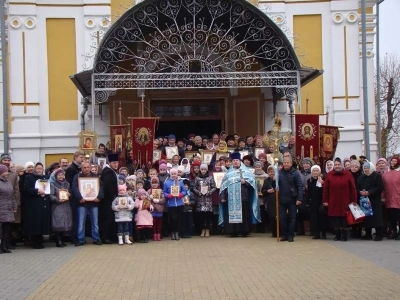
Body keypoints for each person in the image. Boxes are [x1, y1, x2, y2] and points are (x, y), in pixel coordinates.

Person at [219, 152, 261, 237]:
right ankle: (232, 231)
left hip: (243, 197)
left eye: (237, 160)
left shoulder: (246, 172)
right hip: (230, 198)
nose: (235, 162)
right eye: (233, 160)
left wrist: (245, 182)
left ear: (240, 161)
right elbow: (223, 185)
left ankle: (244, 231)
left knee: (244, 215)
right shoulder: (228, 173)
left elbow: (253, 183)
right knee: (231, 214)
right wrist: (223, 197)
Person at [323, 158, 357, 241]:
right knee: (335, 218)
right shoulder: (329, 175)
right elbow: (325, 189)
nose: (337, 166)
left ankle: (344, 235)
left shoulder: (348, 174)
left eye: (339, 165)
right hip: (333, 200)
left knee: (344, 218)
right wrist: (325, 201)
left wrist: (354, 201)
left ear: (342, 165)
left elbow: (353, 188)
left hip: (345, 200)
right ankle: (337, 235)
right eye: (336, 165)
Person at [72, 161, 103, 246]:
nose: (86, 169)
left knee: (95, 222)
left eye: (87, 167)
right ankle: (81, 239)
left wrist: (99, 197)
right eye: (84, 167)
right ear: (81, 168)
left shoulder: (96, 177)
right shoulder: (77, 177)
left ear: (90, 167)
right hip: (82, 203)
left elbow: (101, 188)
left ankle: (96, 238)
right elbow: (74, 188)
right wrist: (80, 198)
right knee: (81, 222)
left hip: (94, 203)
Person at [23, 162, 51, 249]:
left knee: (42, 222)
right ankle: (34, 241)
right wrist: (37, 191)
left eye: (41, 169)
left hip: (43, 202)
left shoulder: (45, 178)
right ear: (35, 169)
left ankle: (39, 239)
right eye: (38, 169)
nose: (39, 170)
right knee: (35, 223)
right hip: (33, 204)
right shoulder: (29, 177)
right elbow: (26, 189)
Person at [277, 157, 304, 242]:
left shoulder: (295, 173)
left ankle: (291, 235)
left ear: (291, 163)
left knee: (292, 218)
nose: (286, 164)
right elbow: (276, 185)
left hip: (293, 199)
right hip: (282, 200)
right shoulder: (279, 173)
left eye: (288, 162)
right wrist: (274, 180)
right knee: (282, 218)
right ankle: (284, 235)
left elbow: (300, 186)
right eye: (284, 162)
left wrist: (299, 198)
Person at [356, 162, 384, 241]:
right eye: (365, 168)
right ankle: (368, 233)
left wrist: (370, 192)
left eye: (367, 168)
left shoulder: (377, 176)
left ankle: (379, 234)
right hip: (365, 200)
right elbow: (357, 187)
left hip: (374, 200)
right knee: (367, 217)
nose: (366, 169)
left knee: (376, 217)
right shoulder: (361, 177)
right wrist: (360, 192)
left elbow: (380, 187)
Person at [0, 153, 20, 249]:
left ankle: (6, 244)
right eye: (5, 160)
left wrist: (16, 204)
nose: (7, 162)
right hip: (1, 205)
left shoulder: (13, 174)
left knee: (8, 226)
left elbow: (16, 189)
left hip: (9, 205)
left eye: (8, 160)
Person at [48, 169, 72, 247]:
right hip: (57, 206)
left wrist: (69, 195)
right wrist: (57, 200)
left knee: (65, 223)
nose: (61, 176)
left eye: (62, 175)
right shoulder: (52, 184)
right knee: (58, 222)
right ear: (56, 176)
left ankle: (62, 239)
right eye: (59, 175)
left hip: (66, 205)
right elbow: (51, 195)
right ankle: (58, 241)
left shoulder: (67, 184)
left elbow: (71, 194)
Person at [99, 153, 119, 244]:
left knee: (109, 218)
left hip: (109, 199)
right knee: (107, 218)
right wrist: (113, 195)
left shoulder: (110, 171)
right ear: (109, 162)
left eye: (117, 163)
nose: (116, 164)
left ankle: (109, 237)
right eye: (114, 163)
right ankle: (105, 237)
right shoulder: (108, 172)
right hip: (108, 200)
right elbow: (108, 186)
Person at [192, 163, 216, 237]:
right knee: (201, 216)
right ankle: (202, 229)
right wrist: (199, 193)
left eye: (204, 169)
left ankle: (207, 229)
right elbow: (194, 188)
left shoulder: (210, 178)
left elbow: (214, 187)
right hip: (200, 200)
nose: (203, 171)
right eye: (202, 169)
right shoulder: (197, 178)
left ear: (207, 170)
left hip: (208, 200)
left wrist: (209, 192)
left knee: (208, 215)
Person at [163, 168, 186, 240]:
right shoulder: (167, 182)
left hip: (179, 203)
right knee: (173, 219)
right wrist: (168, 196)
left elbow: (184, 191)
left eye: (175, 174)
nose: (173, 175)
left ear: (177, 174)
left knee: (179, 219)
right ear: (170, 174)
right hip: (171, 204)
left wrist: (180, 195)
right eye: (172, 174)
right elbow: (164, 192)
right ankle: (172, 232)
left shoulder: (180, 182)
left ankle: (177, 233)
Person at [307, 165, 327, 239]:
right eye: (314, 171)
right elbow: (308, 192)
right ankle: (316, 234)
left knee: (322, 218)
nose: (315, 172)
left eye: (317, 171)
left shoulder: (323, 179)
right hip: (313, 202)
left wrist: (322, 183)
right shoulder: (309, 181)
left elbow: (325, 190)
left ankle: (323, 233)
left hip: (321, 201)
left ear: (319, 171)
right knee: (314, 219)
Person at [382, 156, 400, 240]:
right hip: (388, 197)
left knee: (398, 216)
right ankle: (394, 232)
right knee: (392, 218)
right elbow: (383, 185)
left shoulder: (399, 171)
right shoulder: (386, 172)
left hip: (398, 197)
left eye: (395, 161)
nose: (393, 162)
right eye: (392, 161)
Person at [148, 177, 165, 241]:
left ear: (158, 183)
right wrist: (149, 198)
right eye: (153, 183)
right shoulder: (149, 191)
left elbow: (163, 200)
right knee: (153, 223)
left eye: (156, 183)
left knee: (159, 223)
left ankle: (158, 235)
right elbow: (145, 200)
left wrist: (158, 201)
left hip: (159, 210)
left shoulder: (161, 190)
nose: (154, 184)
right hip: (152, 210)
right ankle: (154, 235)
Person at [261, 166, 277, 237]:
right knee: (272, 216)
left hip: (278, 200)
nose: (271, 173)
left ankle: (280, 231)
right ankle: (273, 232)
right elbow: (263, 190)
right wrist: (267, 191)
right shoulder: (266, 180)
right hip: (270, 201)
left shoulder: (278, 179)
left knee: (279, 216)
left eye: (272, 172)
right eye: (269, 172)